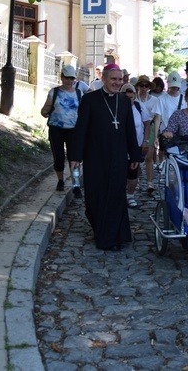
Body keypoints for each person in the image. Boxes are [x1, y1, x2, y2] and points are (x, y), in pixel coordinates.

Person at [70, 64, 142, 251]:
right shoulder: (90, 100)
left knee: (116, 196)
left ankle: (112, 237)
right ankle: (101, 229)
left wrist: (134, 154)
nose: (117, 83)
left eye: (120, 80)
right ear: (104, 79)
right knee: (95, 197)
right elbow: (81, 130)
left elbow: (130, 130)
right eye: (113, 79)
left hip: (118, 156)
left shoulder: (125, 101)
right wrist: (75, 156)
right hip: (95, 156)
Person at [40, 65, 82, 194]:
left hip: (74, 130)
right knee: (58, 157)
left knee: (74, 158)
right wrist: (45, 112)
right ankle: (60, 180)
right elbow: (45, 109)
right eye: (67, 78)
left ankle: (76, 184)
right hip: (56, 129)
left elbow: (84, 112)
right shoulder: (54, 92)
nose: (69, 81)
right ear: (61, 77)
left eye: (72, 78)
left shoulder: (79, 93)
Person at [121, 83, 151, 208]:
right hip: (120, 146)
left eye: (132, 97)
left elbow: (147, 124)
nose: (130, 100)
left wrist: (145, 141)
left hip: (136, 144)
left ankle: (130, 195)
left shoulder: (139, 107)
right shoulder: (117, 107)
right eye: (127, 98)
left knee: (133, 170)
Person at [135, 75, 161, 194]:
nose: (144, 88)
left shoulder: (154, 100)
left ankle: (150, 182)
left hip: (149, 127)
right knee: (136, 156)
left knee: (149, 157)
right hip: (136, 127)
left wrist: (155, 135)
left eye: (146, 85)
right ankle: (137, 180)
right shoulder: (134, 99)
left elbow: (156, 118)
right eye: (142, 85)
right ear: (138, 87)